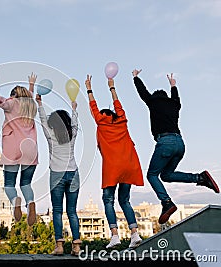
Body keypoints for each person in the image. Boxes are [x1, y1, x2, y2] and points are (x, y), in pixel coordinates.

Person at [132, 70, 219, 224]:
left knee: (152, 175)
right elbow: (176, 98)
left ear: (155, 97)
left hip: (165, 143)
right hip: (180, 144)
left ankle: (166, 202)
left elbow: (142, 92)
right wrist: (173, 85)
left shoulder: (153, 103)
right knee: (166, 175)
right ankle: (200, 178)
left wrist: (136, 77)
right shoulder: (174, 105)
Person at [86, 75, 143, 249]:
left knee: (108, 200)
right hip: (129, 165)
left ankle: (115, 235)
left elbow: (92, 106)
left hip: (112, 168)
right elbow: (118, 104)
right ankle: (134, 234)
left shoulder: (100, 123)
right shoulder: (122, 121)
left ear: (102, 116)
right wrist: (112, 87)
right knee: (125, 200)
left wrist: (89, 88)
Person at [0, 74, 38, 226]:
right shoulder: (31, 106)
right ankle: (30, 203)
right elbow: (29, 98)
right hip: (31, 149)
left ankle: (16, 201)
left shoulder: (11, 103)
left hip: (13, 149)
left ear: (13, 95)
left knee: (9, 184)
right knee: (26, 184)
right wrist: (31, 86)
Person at [36, 94, 82, 256]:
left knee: (57, 211)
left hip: (57, 175)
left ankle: (60, 246)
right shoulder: (73, 134)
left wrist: (39, 103)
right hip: (73, 173)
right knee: (72, 211)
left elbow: (42, 121)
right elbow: (75, 123)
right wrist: (74, 109)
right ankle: (76, 247)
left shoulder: (51, 135)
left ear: (54, 123)